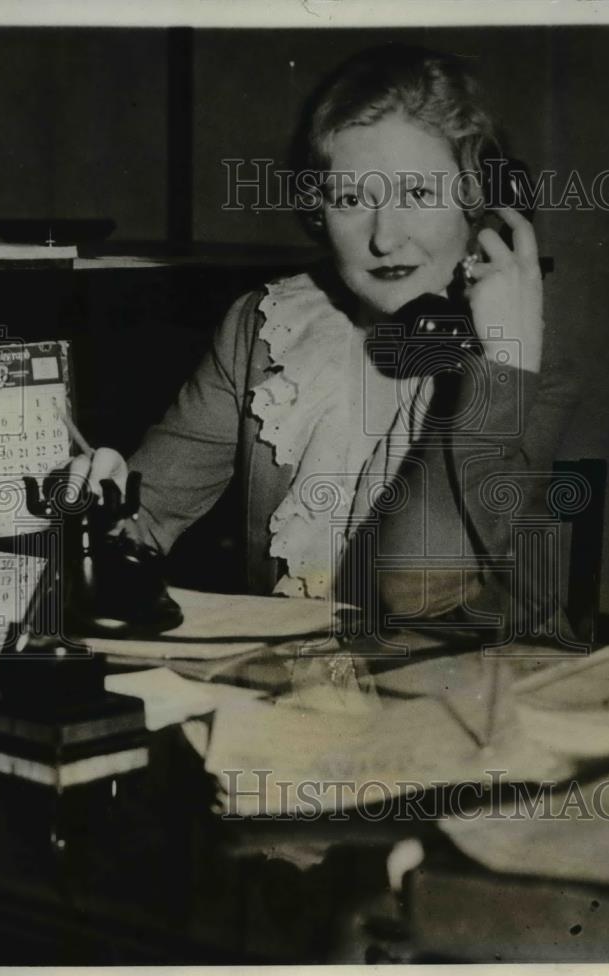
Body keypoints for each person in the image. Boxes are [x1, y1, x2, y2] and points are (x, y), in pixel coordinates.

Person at [69, 43, 579, 640]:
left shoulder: (526, 358)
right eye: (351, 199)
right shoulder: (265, 327)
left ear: (483, 206)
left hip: (477, 698)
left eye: (418, 195)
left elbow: (413, 587)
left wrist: (501, 362)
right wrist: (98, 508)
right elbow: (145, 515)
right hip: (298, 702)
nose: (384, 238)